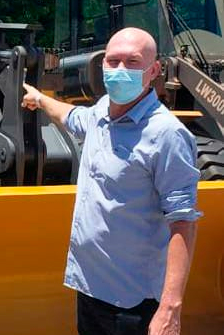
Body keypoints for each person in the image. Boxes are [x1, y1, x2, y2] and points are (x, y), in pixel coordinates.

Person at [22, 27, 201, 335]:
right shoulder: (101, 114)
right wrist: (39, 99)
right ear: (102, 64)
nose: (120, 70)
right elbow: (72, 116)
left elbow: (183, 223)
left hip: (132, 303)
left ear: (154, 70)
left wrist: (170, 309)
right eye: (112, 61)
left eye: (132, 62)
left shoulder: (166, 135)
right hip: (90, 289)